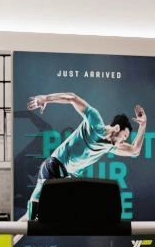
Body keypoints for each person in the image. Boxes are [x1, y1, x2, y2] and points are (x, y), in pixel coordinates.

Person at [22, 91, 148, 219]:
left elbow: (135, 150)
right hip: (55, 166)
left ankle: (19, 226)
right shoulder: (95, 122)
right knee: (41, 212)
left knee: (31, 216)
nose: (124, 141)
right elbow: (72, 98)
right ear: (116, 128)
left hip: (62, 174)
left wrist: (143, 125)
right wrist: (45, 99)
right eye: (124, 136)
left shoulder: (109, 147)